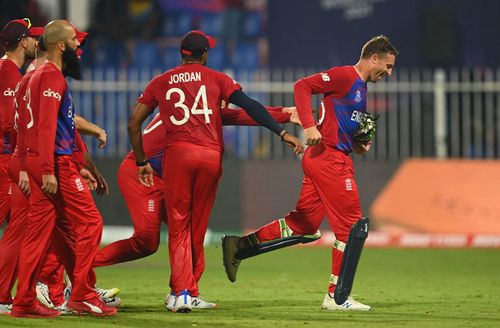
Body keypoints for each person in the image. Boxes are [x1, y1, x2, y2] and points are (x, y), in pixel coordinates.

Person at [128, 29, 304, 313]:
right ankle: (187, 290)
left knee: (178, 224)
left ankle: (182, 292)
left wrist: (140, 160)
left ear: (181, 55)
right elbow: (250, 107)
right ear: (205, 55)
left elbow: (134, 123)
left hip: (179, 156)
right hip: (211, 157)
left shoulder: (160, 82)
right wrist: (282, 133)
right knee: (196, 225)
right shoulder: (218, 80)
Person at [222, 35, 398, 311]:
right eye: (387, 66)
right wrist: (308, 125)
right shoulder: (344, 76)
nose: (388, 73)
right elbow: (302, 86)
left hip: (324, 157)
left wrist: (358, 144)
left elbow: (338, 126)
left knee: (303, 224)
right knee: (352, 227)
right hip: (329, 160)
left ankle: (239, 247)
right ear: (373, 58)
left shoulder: (361, 89)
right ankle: (337, 297)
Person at [93, 105, 299, 311]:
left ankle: (185, 292)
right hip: (142, 175)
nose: (226, 106)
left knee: (191, 230)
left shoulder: (192, 107)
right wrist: (287, 115)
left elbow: (244, 110)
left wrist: (284, 111)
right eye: (224, 101)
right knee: (147, 242)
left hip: (163, 179)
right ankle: (81, 265)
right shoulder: (193, 112)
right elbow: (244, 114)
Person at [10, 20, 116, 318]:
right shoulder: (51, 77)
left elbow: (24, 126)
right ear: (60, 45)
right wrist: (45, 169)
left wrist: (25, 164)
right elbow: (44, 126)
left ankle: (24, 301)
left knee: (38, 233)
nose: (78, 45)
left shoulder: (29, 78)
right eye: (73, 40)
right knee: (91, 223)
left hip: (36, 159)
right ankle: (81, 294)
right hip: (54, 163)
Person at [0, 18, 39, 228]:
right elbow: (8, 122)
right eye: (32, 37)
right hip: (4, 156)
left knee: (19, 227)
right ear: (23, 42)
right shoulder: (8, 72)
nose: (36, 42)